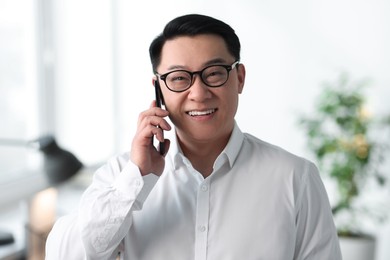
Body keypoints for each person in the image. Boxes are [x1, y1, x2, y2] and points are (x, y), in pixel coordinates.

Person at [45, 14, 342, 260]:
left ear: (239, 78)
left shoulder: (296, 177)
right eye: (178, 78)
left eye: (214, 73)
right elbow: (65, 255)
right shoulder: (121, 177)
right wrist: (135, 179)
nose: (198, 94)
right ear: (158, 89)